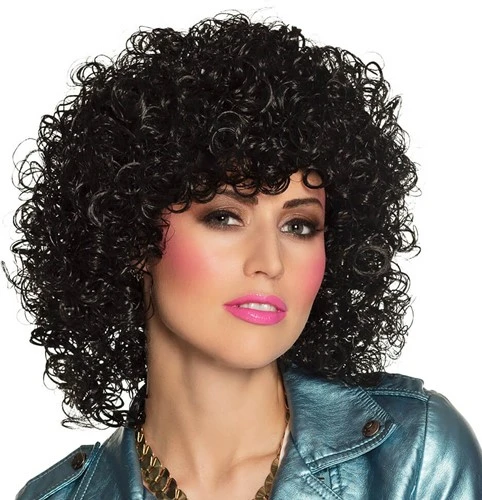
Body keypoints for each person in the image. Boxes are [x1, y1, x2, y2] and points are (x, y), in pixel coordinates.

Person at [12, 13, 481, 500]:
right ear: (132, 235)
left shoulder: (414, 459)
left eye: (299, 226)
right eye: (225, 217)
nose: (270, 262)